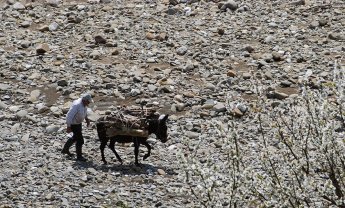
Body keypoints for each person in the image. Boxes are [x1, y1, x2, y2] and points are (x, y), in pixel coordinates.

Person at [61, 93, 93, 161]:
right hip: (73, 124)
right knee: (80, 140)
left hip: (78, 123)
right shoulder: (77, 105)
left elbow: (85, 111)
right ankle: (79, 157)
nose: (89, 103)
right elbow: (69, 116)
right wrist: (68, 126)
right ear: (84, 100)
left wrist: (86, 119)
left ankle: (65, 149)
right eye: (88, 101)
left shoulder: (84, 104)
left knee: (75, 137)